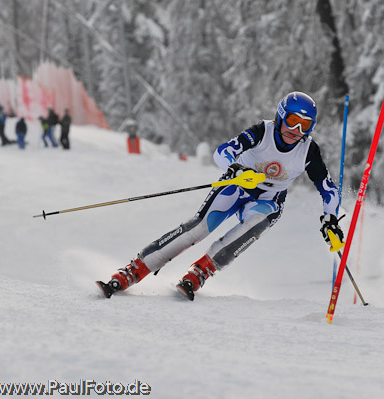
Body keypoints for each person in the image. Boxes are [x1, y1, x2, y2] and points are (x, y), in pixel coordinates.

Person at [96, 91, 344, 300]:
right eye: (292, 120)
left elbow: (328, 187)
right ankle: (134, 269)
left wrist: (330, 218)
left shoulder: (308, 150)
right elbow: (223, 152)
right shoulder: (262, 131)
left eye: (305, 125)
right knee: (200, 228)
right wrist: (236, 168)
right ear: (280, 115)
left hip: (268, 200)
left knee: (256, 224)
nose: (296, 129)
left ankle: (201, 271)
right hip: (238, 185)